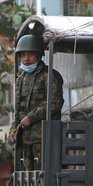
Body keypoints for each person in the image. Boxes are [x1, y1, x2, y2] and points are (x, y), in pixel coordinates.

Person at [11, 34, 64, 170]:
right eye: (23, 55)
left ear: (39, 55)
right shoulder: (20, 79)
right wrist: (13, 129)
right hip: (25, 138)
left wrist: (31, 116)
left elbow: (55, 102)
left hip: (44, 137)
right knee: (29, 179)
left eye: (30, 54)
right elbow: (17, 109)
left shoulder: (50, 76)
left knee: (45, 175)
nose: (26, 59)